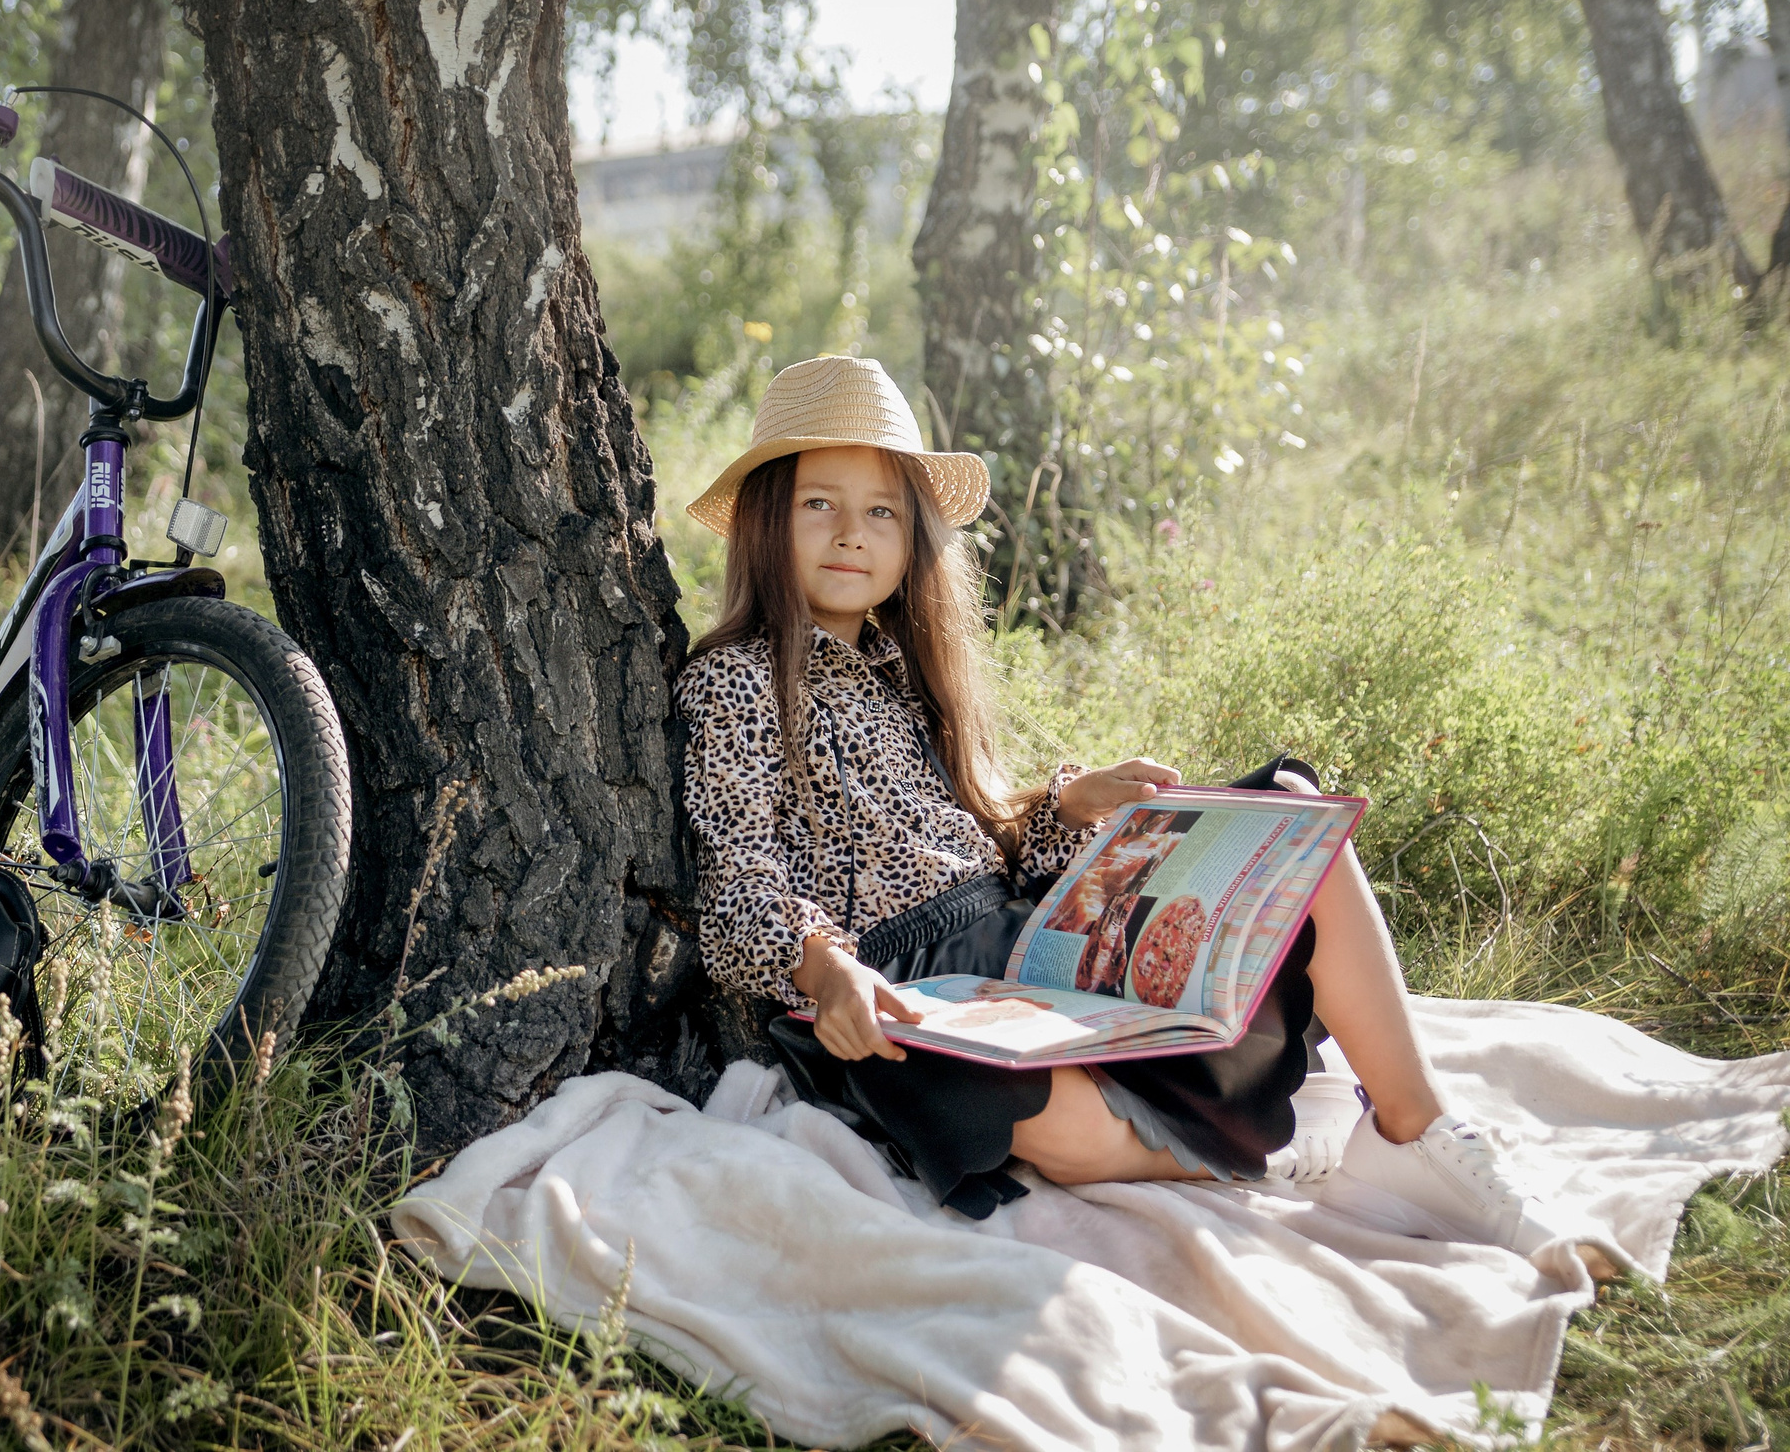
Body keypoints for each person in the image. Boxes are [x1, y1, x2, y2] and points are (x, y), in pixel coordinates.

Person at [676, 355, 1579, 1257]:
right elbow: (737, 883)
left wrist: (1068, 806)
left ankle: (1411, 1130)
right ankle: (1291, 1137)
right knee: (1056, 1132)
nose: (851, 533)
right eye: (817, 504)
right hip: (904, 992)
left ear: (911, 537)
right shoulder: (738, 679)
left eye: (880, 510)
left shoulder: (908, 672)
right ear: (765, 519)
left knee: (1289, 812)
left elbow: (985, 848)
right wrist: (824, 967)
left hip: (1020, 937)